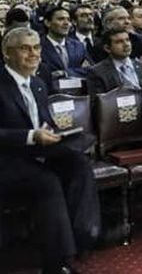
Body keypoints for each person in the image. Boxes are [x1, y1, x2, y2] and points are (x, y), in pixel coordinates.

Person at [0, 27, 100, 273]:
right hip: (7, 160)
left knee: (79, 163)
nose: (33, 54)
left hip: (37, 153)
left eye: (36, 48)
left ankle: (85, 235)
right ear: (6, 53)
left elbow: (44, 122)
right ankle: (58, 263)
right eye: (25, 48)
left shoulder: (38, 83)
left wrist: (56, 134)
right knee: (47, 182)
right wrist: (31, 136)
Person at [87, 26, 142, 94]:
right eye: (119, 42)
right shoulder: (97, 72)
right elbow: (97, 101)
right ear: (107, 48)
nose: (126, 44)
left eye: (127, 40)